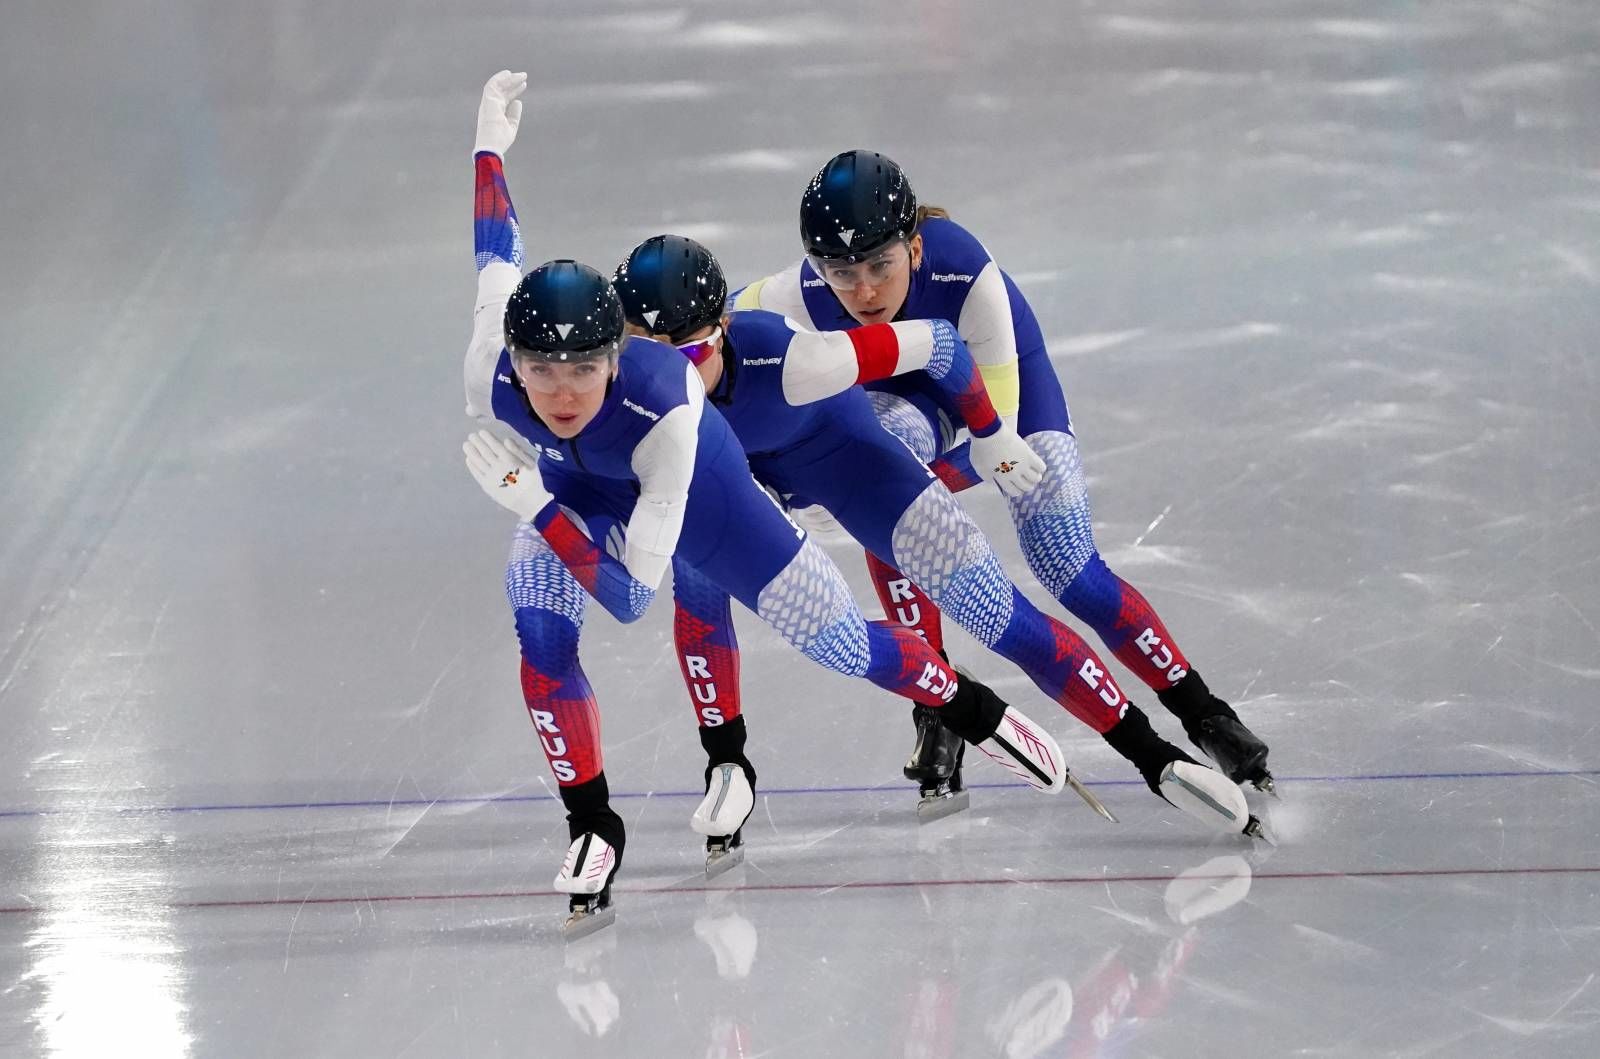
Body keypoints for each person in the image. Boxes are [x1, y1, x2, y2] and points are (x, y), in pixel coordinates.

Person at [459, 73, 1066, 936]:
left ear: (618, 357)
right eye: (540, 370)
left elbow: (632, 596)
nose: (561, 393)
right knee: (540, 628)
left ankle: (968, 705)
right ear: (511, 359)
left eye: (584, 369)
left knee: (839, 643)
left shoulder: (667, 408)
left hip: (700, 494)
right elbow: (494, 252)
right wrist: (489, 148)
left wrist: (531, 502)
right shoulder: (489, 364)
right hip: (579, 491)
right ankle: (593, 822)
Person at [614, 234, 1262, 841]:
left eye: (691, 355)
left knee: (1008, 621)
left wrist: (989, 433)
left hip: (867, 472)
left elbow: (944, 347)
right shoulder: (622, 399)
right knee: (706, 578)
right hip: (775, 480)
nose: (672, 379)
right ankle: (925, 715)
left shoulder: (796, 359)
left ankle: (1155, 753)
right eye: (647, 357)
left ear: (721, 333)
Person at [732, 150, 1276, 799]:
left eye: (879, 264)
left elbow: (1000, 438)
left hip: (998, 404)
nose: (865, 291)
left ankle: (1203, 710)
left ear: (913, 245)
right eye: (841, 272)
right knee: (883, 472)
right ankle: (935, 705)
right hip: (902, 406)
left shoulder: (964, 268)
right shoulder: (795, 292)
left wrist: (882, 477)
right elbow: (709, 350)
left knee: (1070, 571)